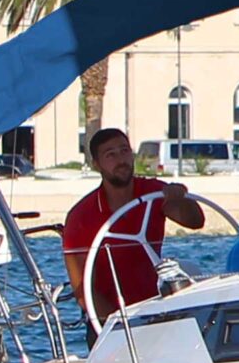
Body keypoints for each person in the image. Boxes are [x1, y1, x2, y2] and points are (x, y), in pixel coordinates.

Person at [62, 127, 204, 335]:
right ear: (96, 164)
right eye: (110, 155)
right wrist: (118, 326)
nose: (121, 160)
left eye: (124, 151)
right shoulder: (81, 216)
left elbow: (195, 222)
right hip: (109, 321)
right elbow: (84, 289)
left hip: (158, 309)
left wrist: (179, 199)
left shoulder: (153, 193)